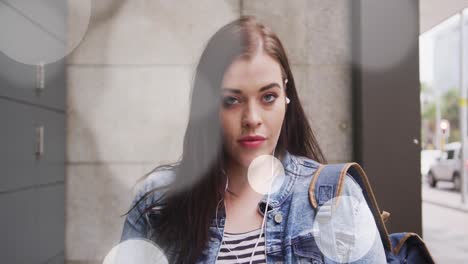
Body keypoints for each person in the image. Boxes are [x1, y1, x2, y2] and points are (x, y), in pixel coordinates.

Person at [120, 16, 386, 264]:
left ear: (286, 96)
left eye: (268, 97)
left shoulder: (335, 198)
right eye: (231, 100)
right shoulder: (157, 202)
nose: (252, 118)